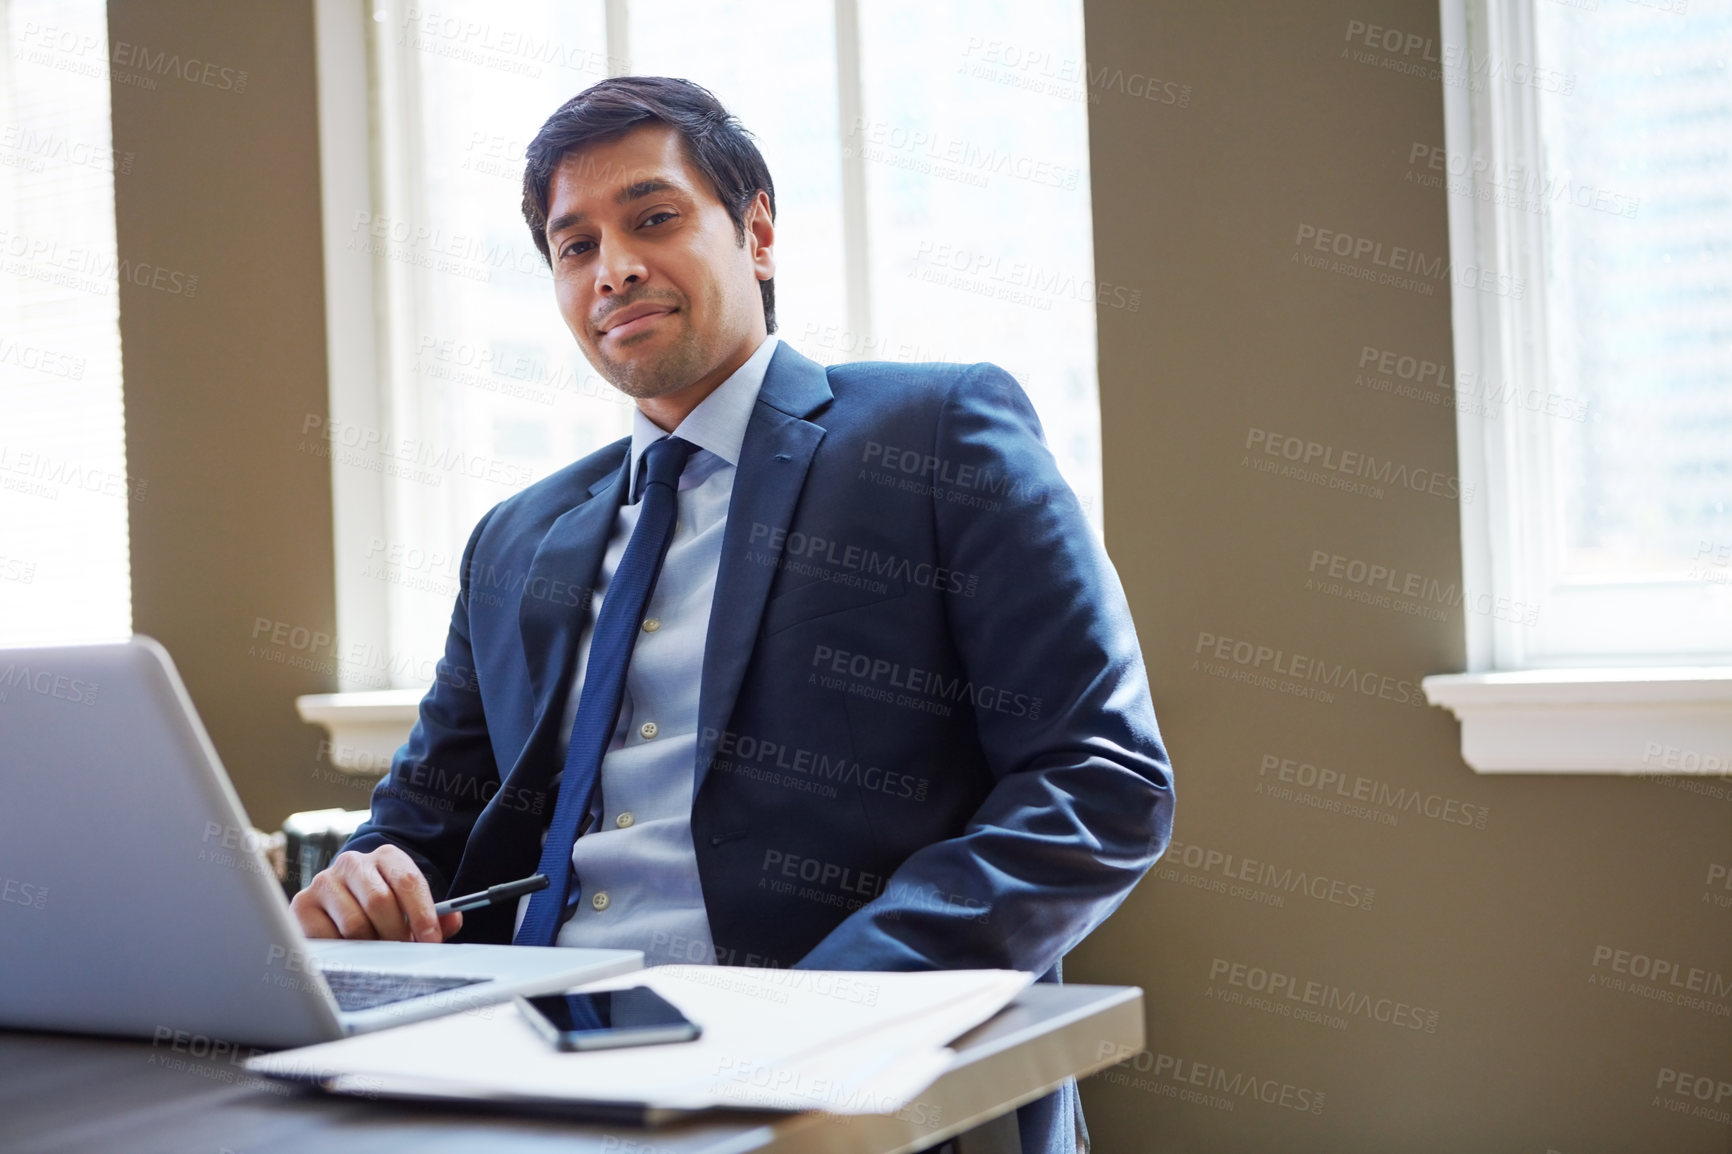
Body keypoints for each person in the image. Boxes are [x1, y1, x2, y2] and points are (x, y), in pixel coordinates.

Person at [292, 75, 1173, 1153]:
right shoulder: (514, 540)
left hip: (825, 1061)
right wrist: (365, 884)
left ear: (755, 230)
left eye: (653, 219)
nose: (613, 266)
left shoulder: (935, 430)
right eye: (575, 247)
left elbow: (1100, 781)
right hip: (520, 1065)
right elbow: (423, 821)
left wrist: (833, 1007)